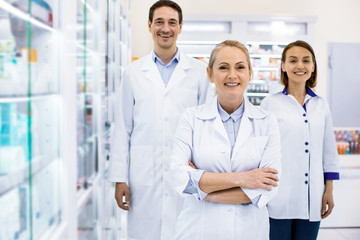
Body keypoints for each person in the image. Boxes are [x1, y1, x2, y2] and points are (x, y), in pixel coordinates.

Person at [108, 0, 209, 239]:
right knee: (145, 232)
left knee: (185, 230)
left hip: (186, 169)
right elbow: (123, 127)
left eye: (172, 22)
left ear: (180, 27)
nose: (166, 28)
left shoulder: (197, 72)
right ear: (149, 26)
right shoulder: (133, 72)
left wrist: (204, 173)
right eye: (159, 22)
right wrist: (119, 178)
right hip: (143, 173)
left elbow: (205, 126)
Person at [171, 40, 281, 240]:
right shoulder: (191, 118)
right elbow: (179, 177)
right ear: (210, 74)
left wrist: (205, 190)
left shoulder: (266, 121)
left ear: (250, 74)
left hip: (249, 231)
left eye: (240, 67)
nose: (232, 75)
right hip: (199, 230)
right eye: (223, 67)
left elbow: (268, 187)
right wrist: (244, 178)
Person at [260, 40, 340, 240]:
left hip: (312, 196)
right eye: (293, 60)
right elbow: (261, 149)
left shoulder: (321, 105)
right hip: (279, 195)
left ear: (313, 67)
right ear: (283, 66)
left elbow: (328, 151)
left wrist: (328, 189)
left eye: (306, 61)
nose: (300, 66)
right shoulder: (270, 103)